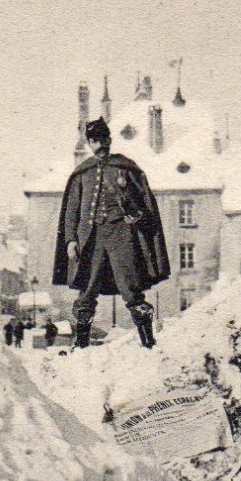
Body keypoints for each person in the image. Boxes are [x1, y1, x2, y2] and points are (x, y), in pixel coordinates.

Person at [53, 117, 170, 349]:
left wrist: (128, 199)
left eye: (103, 139)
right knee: (86, 291)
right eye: (94, 140)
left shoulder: (126, 168)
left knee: (132, 289)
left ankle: (148, 343)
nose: (99, 144)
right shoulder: (82, 173)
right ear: (89, 143)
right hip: (91, 239)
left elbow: (144, 207)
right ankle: (82, 346)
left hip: (121, 235)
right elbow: (72, 211)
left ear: (110, 139)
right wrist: (70, 240)